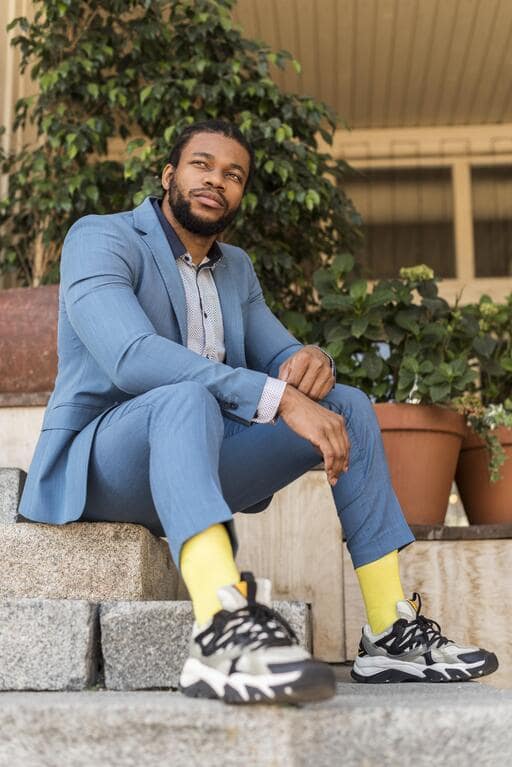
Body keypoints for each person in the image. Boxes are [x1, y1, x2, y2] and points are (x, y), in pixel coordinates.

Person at [19, 120, 498, 704]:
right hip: (103, 465)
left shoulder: (236, 269)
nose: (215, 180)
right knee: (183, 394)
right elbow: (130, 357)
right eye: (202, 165)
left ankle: (389, 631)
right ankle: (220, 625)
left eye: (233, 174)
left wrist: (311, 360)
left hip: (201, 460)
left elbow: (281, 355)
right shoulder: (101, 238)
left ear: (240, 194)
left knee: (345, 404)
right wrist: (277, 397)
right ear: (169, 175)